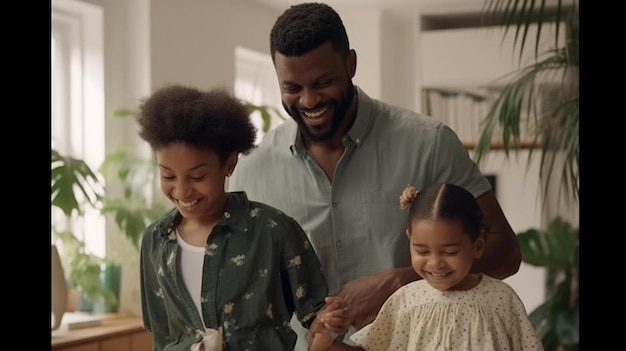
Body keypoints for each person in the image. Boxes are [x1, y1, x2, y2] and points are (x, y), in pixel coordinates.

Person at [228, 2, 522, 348]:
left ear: (350, 64)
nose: (309, 101)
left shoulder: (429, 144)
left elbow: (504, 250)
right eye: (292, 88)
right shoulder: (251, 169)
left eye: (322, 83)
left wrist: (405, 282)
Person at [135, 84, 349, 350]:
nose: (181, 190)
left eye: (197, 176)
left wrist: (328, 321)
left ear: (230, 164)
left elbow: (316, 316)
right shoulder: (154, 240)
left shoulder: (274, 229)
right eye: (167, 175)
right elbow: (162, 335)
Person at [309, 183, 544, 351]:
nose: (434, 263)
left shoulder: (501, 299)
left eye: (450, 252)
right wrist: (324, 340)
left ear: (478, 245)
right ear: (409, 239)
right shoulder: (405, 301)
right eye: (422, 251)